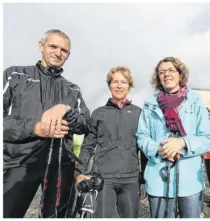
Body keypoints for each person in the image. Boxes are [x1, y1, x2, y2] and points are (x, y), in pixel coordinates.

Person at [3, 29, 90, 218]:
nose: (58, 53)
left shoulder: (72, 89)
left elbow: (85, 124)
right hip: (21, 163)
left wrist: (66, 108)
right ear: (41, 45)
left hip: (60, 166)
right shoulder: (14, 75)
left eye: (64, 50)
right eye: (53, 46)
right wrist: (35, 128)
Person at [136, 57, 210, 218]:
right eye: (162, 72)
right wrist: (159, 149)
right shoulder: (150, 105)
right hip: (159, 179)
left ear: (180, 74)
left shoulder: (195, 102)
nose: (166, 75)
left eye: (171, 70)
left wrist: (182, 142)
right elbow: (142, 137)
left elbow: (208, 137)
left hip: (189, 181)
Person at [76, 66, 148, 218]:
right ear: (109, 85)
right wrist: (80, 172)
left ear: (130, 86)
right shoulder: (98, 113)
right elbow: (88, 146)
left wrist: (143, 180)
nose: (119, 85)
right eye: (115, 81)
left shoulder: (138, 113)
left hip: (130, 179)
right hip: (103, 179)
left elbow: (144, 150)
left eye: (124, 82)